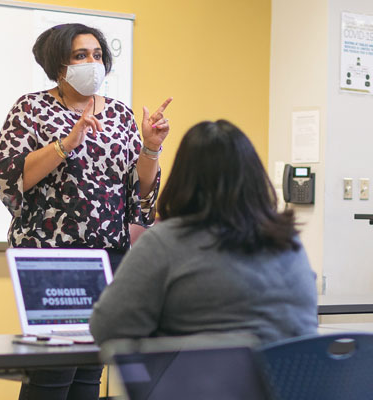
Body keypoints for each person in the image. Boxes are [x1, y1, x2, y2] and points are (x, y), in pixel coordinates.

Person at [0, 23, 171, 400]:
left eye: (98, 55)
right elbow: (8, 176)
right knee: (52, 374)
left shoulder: (120, 115)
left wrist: (150, 149)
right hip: (51, 257)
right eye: (81, 55)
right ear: (58, 65)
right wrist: (67, 143)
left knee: (90, 371)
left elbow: (141, 195)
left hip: (109, 258)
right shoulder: (31, 109)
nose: (93, 62)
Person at [90, 119, 318, 347]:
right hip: (289, 380)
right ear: (256, 177)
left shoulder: (166, 242)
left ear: (183, 179)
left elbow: (106, 327)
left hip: (206, 379)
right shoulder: (288, 241)